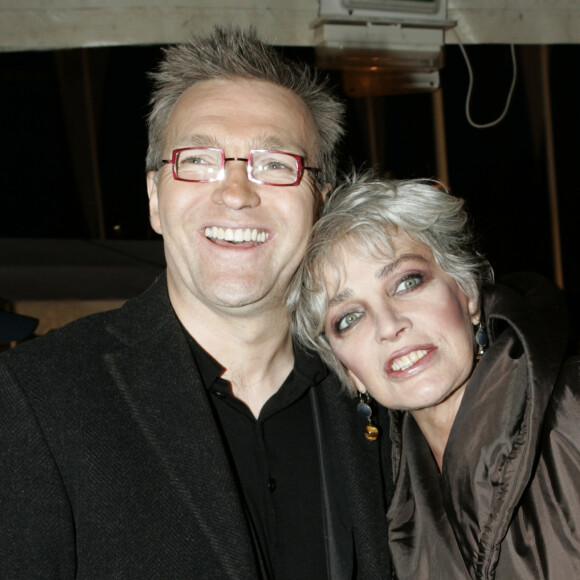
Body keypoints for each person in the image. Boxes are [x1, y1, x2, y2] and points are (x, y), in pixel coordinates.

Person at [0, 28, 392, 578]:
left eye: (275, 163)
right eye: (199, 159)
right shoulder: (36, 397)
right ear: (156, 199)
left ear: (319, 204)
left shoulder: (381, 390)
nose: (236, 192)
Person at [290, 174, 580, 579]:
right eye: (349, 318)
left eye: (407, 282)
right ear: (346, 370)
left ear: (468, 293)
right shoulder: (386, 511)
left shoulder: (572, 415)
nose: (388, 325)